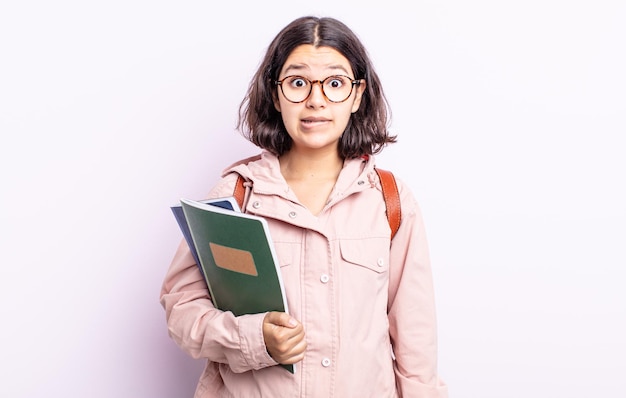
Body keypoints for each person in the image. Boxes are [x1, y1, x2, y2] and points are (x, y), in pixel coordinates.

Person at [160, 15, 448, 398]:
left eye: (335, 83)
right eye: (298, 82)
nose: (316, 100)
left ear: (358, 95)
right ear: (276, 94)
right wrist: (253, 339)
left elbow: (416, 342)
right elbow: (182, 310)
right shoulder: (236, 194)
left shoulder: (390, 200)